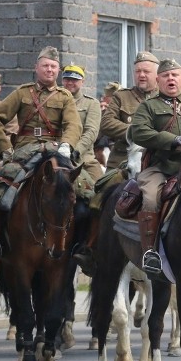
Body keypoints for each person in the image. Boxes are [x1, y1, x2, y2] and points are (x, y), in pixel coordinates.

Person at [0, 46, 83, 262]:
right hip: (25, 150)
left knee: (84, 190)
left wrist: (66, 145)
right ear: (36, 67)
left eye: (54, 66)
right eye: (45, 65)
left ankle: (81, 245)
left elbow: (73, 124)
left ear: (58, 70)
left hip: (55, 149)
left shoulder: (65, 97)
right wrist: (5, 147)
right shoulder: (23, 92)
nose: (49, 70)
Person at [129, 59, 181, 278]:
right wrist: (172, 140)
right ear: (158, 81)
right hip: (162, 167)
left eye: (175, 75)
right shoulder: (148, 106)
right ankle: (150, 252)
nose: (171, 79)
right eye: (166, 76)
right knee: (149, 196)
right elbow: (139, 133)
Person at [60, 63, 105, 274]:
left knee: (100, 197)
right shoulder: (56, 100)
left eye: (74, 80)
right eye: (67, 79)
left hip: (83, 159)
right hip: (56, 157)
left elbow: (91, 131)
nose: (70, 83)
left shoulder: (91, 103)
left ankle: (91, 247)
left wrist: (75, 150)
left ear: (82, 82)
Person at [100, 51, 160, 174]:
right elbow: (106, 123)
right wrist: (133, 131)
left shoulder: (164, 99)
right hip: (122, 159)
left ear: (157, 75)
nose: (141, 75)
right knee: (103, 190)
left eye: (146, 71)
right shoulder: (121, 96)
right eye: (138, 71)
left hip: (157, 160)